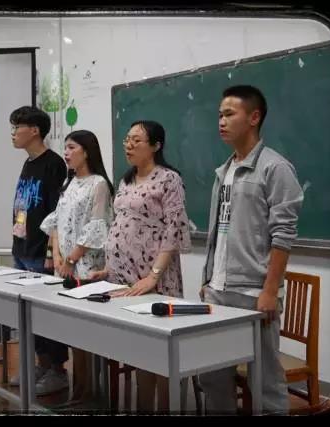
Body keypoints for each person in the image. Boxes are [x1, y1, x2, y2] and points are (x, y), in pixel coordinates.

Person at [198, 85, 303, 415]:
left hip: (254, 293)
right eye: (219, 115)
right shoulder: (224, 170)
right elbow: (219, 231)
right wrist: (207, 279)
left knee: (265, 381)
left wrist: (270, 291)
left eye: (229, 114)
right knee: (212, 375)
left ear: (254, 117)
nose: (221, 121)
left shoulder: (275, 168)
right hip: (218, 291)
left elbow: (283, 235)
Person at [89, 120, 191, 412]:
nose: (129, 145)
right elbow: (121, 226)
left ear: (156, 145)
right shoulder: (126, 180)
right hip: (123, 280)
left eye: (136, 140)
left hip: (154, 279)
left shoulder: (168, 179)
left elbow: (174, 230)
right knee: (141, 352)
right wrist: (108, 268)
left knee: (162, 353)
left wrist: (153, 276)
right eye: (127, 140)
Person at [40, 129, 114, 401]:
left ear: (87, 151)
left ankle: (90, 394)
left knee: (88, 335)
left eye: (72, 148)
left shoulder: (99, 184)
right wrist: (57, 255)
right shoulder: (69, 182)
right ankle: (79, 390)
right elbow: (56, 221)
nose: (66, 153)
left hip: (86, 268)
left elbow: (97, 227)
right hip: (65, 267)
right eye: (66, 148)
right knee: (73, 334)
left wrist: (71, 258)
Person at [8, 106, 70, 395]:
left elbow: (57, 215)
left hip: (40, 252)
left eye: (17, 127)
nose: (13, 133)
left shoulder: (53, 164)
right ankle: (41, 365)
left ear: (34, 130)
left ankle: (58, 370)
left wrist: (49, 254)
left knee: (47, 316)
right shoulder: (28, 162)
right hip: (21, 248)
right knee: (28, 316)